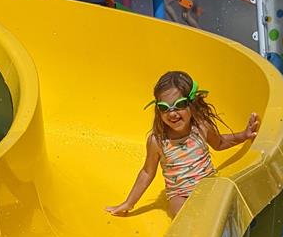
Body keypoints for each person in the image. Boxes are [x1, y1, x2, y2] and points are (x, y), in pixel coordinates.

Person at [106, 70, 260, 218]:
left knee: (229, 204)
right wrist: (129, 203)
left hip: (209, 185)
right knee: (182, 214)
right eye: (164, 108)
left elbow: (219, 143)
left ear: (191, 104)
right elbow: (147, 173)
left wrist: (244, 135)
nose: (172, 113)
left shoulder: (201, 127)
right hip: (180, 194)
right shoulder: (157, 141)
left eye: (179, 105)